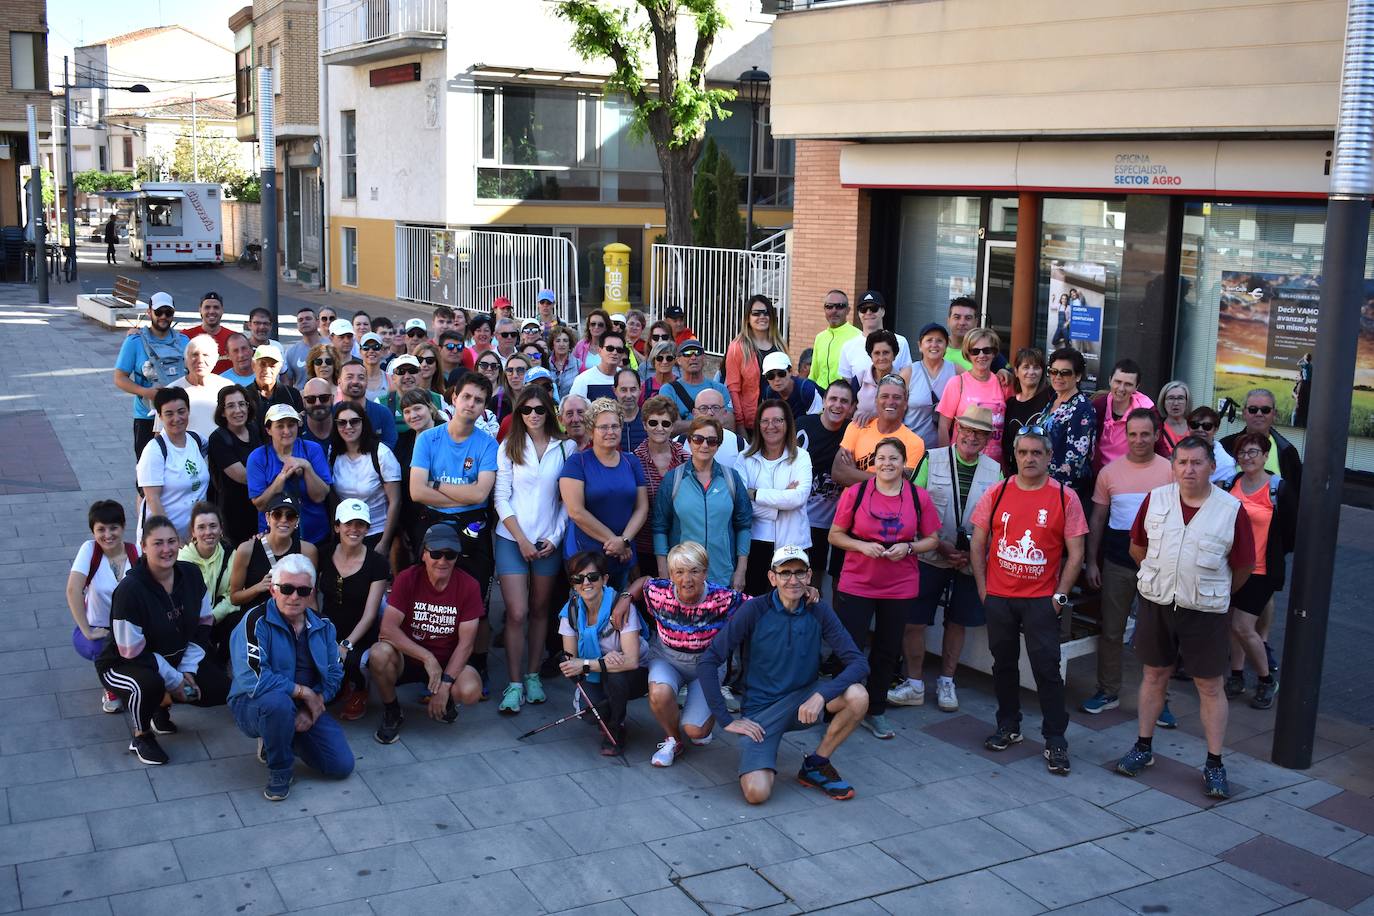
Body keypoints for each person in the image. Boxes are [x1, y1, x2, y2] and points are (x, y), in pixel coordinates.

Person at [1115, 437, 1255, 800]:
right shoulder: (1157, 499)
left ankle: (1214, 763)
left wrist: (1211, 588)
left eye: (1197, 463)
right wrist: (1162, 577)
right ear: (1173, 466)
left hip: (1204, 611)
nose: (1189, 470)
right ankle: (1143, 747)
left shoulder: (1230, 509)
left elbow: (1242, 567)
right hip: (1157, 602)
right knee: (1153, 674)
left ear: (1211, 466)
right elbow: (1137, 547)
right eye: (1182, 463)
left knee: (1209, 686)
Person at [697, 545, 870, 803]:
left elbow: (858, 662)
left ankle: (816, 764)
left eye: (800, 573)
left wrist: (822, 695)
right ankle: (765, 754)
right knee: (756, 794)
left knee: (858, 695)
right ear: (772, 577)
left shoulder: (819, 610)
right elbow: (708, 661)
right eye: (785, 572)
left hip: (805, 700)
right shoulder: (754, 610)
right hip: (761, 712)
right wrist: (725, 719)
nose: (793, 579)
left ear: (809, 576)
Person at [969, 427, 1087, 776]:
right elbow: (978, 542)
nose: (1030, 458)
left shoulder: (1066, 497)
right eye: (1024, 452)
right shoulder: (997, 492)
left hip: (1041, 600)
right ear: (1015, 456)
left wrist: (1059, 598)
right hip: (999, 597)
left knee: (1047, 670)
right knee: (1003, 664)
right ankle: (1008, 725)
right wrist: (983, 588)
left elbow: (1076, 553)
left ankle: (1055, 739)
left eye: (1037, 452)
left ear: (1050, 457)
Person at [829, 437, 941, 738]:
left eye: (893, 458)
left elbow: (933, 538)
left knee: (887, 650)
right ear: (873, 462)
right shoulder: (856, 492)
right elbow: (835, 535)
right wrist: (862, 547)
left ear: (904, 463)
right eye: (881, 458)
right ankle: (842, 706)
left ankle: (875, 710)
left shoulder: (919, 497)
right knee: (849, 648)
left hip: (899, 584)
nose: (887, 464)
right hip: (858, 581)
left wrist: (910, 547)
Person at [891, 406, 1002, 713]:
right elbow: (913, 506)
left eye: (979, 433)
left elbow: (996, 523)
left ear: (987, 439)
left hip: (969, 560)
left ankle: (946, 681)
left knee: (958, 622)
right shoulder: (932, 457)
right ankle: (913, 683)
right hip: (930, 555)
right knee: (914, 620)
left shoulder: (996, 471)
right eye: (966, 429)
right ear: (956, 430)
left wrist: (974, 552)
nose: (971, 437)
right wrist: (939, 545)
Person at [96, 515, 230, 766]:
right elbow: (133, 652)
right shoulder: (130, 590)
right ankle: (141, 735)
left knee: (218, 688)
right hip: (124, 662)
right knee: (148, 685)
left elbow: (203, 625)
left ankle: (161, 706)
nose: (166, 549)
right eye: (158, 543)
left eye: (171, 542)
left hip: (175, 657)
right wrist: (175, 679)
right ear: (143, 547)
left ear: (179, 543)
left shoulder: (190, 575)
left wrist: (187, 670)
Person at [229, 552, 354, 801]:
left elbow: (334, 673)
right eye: (286, 588)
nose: (294, 596)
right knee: (277, 705)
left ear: (312, 592)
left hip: (304, 704)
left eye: (303, 590)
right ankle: (280, 768)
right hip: (254, 702)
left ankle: (279, 735)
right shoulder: (255, 622)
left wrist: (313, 708)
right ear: (273, 590)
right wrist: (302, 692)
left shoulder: (324, 626)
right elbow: (254, 679)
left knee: (341, 765)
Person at [614, 543, 745, 765]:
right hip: (667, 658)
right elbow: (644, 580)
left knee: (696, 731)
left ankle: (707, 711)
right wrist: (625, 598)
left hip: (707, 665)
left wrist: (803, 593)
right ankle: (673, 740)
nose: (687, 579)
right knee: (659, 693)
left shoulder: (723, 597)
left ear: (705, 572)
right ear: (671, 574)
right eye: (679, 572)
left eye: (694, 571)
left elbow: (760, 606)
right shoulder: (659, 591)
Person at [1082, 408, 1173, 715]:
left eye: (1145, 434)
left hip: (1159, 566)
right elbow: (1098, 519)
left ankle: (1162, 701)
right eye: (1132, 434)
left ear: (1156, 435)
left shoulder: (1171, 471)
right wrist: (1092, 562)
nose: (1138, 440)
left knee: (1160, 634)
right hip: (1118, 563)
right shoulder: (1109, 473)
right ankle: (1108, 691)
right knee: (1111, 630)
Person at [369, 524, 486, 743]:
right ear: (424, 554)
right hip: (407, 658)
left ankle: (445, 698)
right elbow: (388, 629)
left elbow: (466, 644)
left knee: (471, 690)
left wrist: (445, 684)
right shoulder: (407, 578)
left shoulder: (469, 585)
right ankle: (392, 709)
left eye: (450, 555)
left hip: (446, 662)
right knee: (378, 654)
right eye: (435, 553)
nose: (442, 561)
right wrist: (427, 657)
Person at [494, 385, 572, 714]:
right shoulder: (508, 446)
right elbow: (500, 496)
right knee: (517, 612)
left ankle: (533, 674)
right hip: (512, 538)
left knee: (542, 610)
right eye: (527, 410)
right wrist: (522, 539)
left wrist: (554, 537)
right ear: (518, 412)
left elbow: (567, 501)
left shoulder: (566, 447)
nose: (534, 415)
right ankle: (513, 683)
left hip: (548, 541)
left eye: (540, 409)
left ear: (550, 411)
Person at [1223, 432, 1295, 709]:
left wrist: (1274, 554)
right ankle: (1237, 676)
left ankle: (1266, 680)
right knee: (1233, 625)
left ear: (1266, 456)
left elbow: (1290, 532)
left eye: (1253, 452)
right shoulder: (1232, 484)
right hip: (1232, 566)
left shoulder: (1279, 489)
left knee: (1243, 625)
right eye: (1242, 453)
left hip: (1262, 570)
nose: (1247, 457)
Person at [557, 551, 650, 755]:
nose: (586, 583)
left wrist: (587, 664)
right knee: (590, 714)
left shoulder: (620, 606)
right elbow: (571, 664)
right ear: (572, 583)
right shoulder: (570, 611)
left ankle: (616, 729)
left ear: (605, 579)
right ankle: (609, 710)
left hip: (638, 673)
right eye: (578, 579)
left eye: (592, 577)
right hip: (601, 669)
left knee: (616, 677)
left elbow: (631, 661)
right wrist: (599, 662)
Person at [654, 416, 752, 591]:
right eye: (698, 439)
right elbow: (660, 527)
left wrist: (741, 571)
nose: (704, 445)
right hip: (683, 578)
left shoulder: (731, 478)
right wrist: (663, 572)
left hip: (723, 574)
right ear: (690, 441)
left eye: (712, 441)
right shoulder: (673, 479)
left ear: (718, 444)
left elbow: (743, 525)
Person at [560, 398, 649, 589]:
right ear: (592, 431)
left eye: (615, 426)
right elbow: (576, 511)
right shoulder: (577, 463)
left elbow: (642, 507)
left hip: (624, 552)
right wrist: (615, 542)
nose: (611, 431)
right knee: (588, 612)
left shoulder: (631, 461)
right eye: (604, 427)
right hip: (586, 555)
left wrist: (624, 540)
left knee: (619, 611)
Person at [317, 500, 391, 722]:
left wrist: (346, 644)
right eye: (349, 523)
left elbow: (370, 614)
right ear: (337, 526)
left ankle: (360, 689)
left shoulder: (377, 562)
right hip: (328, 626)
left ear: (368, 528)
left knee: (353, 659)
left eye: (361, 524)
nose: (355, 529)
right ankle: (339, 684)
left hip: (361, 632)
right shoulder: (323, 554)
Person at [67, 500, 139, 715]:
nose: (108, 535)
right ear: (93, 531)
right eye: (101, 529)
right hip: (99, 629)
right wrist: (87, 630)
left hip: (130, 628)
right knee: (101, 648)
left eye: (113, 527)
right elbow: (73, 590)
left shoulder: (136, 553)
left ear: (123, 527)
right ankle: (110, 687)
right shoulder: (89, 550)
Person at [738, 400, 813, 596]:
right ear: (757, 424)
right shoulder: (744, 458)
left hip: (793, 544)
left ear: (788, 424)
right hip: (754, 542)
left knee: (791, 605)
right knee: (754, 603)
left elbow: (799, 498)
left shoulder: (801, 457)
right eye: (765, 421)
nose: (771, 426)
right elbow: (740, 504)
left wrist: (755, 494)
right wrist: (781, 504)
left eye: (778, 420)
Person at [797, 380, 857, 601]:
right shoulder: (803, 424)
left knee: (820, 581)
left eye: (844, 401)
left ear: (852, 407)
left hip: (831, 521)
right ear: (823, 401)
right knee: (800, 578)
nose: (837, 405)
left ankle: (819, 627)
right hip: (800, 516)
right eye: (833, 399)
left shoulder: (854, 431)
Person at [227, 492, 318, 637]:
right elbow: (234, 598)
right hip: (257, 625)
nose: (284, 520)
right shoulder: (246, 549)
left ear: (297, 522)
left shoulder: (308, 550)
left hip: (292, 626)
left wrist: (314, 632)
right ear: (268, 518)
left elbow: (310, 598)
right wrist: (258, 588)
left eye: (290, 516)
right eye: (277, 514)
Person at [114, 292, 189, 460]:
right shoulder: (134, 342)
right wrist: (146, 392)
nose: (163, 316)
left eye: (168, 312)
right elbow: (119, 378)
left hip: (179, 416)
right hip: (146, 416)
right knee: (147, 468)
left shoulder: (184, 341)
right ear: (149, 312)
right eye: (158, 312)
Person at [246, 404, 332, 546]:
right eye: (280, 426)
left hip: (314, 536)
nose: (287, 431)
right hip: (274, 538)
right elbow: (260, 505)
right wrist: (280, 479)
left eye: (291, 425)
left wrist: (307, 467)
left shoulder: (312, 450)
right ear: (268, 430)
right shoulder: (258, 457)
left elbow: (320, 496)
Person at [329, 402, 402, 555]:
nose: (348, 426)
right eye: (342, 422)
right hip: (346, 534)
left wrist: (385, 542)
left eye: (354, 421)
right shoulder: (333, 453)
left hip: (376, 532)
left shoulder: (381, 453)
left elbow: (395, 501)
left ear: (364, 422)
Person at [137, 387, 209, 541]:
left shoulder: (196, 440)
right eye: (169, 414)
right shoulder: (154, 451)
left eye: (181, 411)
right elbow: (152, 499)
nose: (177, 418)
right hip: (163, 541)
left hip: (196, 541)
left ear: (189, 411)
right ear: (160, 416)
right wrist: (171, 539)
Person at [833, 375, 927, 487]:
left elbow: (901, 486)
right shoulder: (857, 426)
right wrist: (887, 478)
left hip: (887, 504)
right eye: (884, 396)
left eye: (896, 397)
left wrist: (854, 473)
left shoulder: (915, 443)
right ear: (876, 401)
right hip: (852, 502)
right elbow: (837, 473)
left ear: (905, 403)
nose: (890, 401)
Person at [633, 395, 689, 574]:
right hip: (644, 546)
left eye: (665, 423)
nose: (659, 428)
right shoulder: (634, 460)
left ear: (672, 426)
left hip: (679, 545)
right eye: (653, 423)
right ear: (644, 425)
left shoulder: (685, 458)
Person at [937, 327, 1007, 464]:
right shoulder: (957, 383)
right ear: (968, 354)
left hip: (995, 464)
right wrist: (946, 461)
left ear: (994, 353)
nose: (981, 355)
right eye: (975, 351)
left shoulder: (1003, 382)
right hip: (961, 461)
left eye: (986, 350)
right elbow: (943, 426)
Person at [178, 501, 235, 664]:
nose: (208, 532)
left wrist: (213, 616)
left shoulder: (231, 554)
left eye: (213, 526)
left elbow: (233, 595)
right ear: (193, 532)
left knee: (237, 618)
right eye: (201, 527)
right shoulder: (181, 561)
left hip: (217, 618)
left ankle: (222, 661)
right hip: (190, 624)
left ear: (221, 529)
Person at [725, 294, 788, 436]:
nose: (762, 316)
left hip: (778, 419)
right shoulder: (737, 347)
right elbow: (733, 389)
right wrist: (740, 425)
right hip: (751, 423)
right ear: (748, 318)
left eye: (766, 312)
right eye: (756, 313)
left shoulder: (780, 345)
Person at [207, 385, 262, 545]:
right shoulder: (218, 439)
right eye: (231, 406)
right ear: (222, 412)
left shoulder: (254, 429)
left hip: (259, 510)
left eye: (242, 404)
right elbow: (244, 477)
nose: (238, 410)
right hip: (235, 515)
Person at [1041, 347, 1098, 499]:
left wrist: (1052, 489)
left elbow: (1075, 459)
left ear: (1078, 376)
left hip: (1063, 491)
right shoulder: (1054, 400)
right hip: (1042, 483)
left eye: (1065, 373)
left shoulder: (1082, 408)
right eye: (1053, 371)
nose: (1058, 376)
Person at [1221, 388, 1303, 491]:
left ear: (1274, 414)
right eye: (1253, 409)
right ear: (1244, 413)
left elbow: (1295, 495)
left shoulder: (1287, 452)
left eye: (1265, 410)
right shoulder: (1225, 447)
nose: (1259, 414)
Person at [1092, 359, 1155, 473]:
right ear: (1110, 380)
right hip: (1100, 474)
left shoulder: (1147, 410)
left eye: (1128, 384)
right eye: (1118, 382)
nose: (1121, 388)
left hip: (1133, 474)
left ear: (1136, 387)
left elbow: (1158, 445)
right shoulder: (1098, 406)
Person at [836, 290, 913, 384]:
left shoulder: (900, 342)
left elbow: (906, 378)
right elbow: (848, 385)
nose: (868, 312)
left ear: (883, 312)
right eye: (863, 309)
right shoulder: (848, 347)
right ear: (859, 314)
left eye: (874, 308)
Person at [662, 339, 735, 432]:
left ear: (704, 357)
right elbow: (672, 426)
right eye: (687, 353)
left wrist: (686, 423)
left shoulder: (720, 388)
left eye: (697, 352)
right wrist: (713, 421)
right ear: (678, 360)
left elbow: (729, 424)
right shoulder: (668, 390)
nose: (693, 357)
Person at [169, 334, 232, 440]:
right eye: (194, 354)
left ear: (216, 358)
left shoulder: (228, 388)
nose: (200, 360)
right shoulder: (170, 392)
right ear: (185, 359)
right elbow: (160, 435)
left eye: (206, 355)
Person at [1002, 347, 1053, 475]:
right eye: (1026, 367)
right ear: (1016, 371)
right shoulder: (1010, 404)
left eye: (1036, 367)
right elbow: (1006, 442)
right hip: (1015, 472)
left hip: (1043, 473)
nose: (1031, 372)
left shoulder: (1051, 398)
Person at [907, 322, 959, 445]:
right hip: (911, 448)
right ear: (920, 345)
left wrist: (1002, 372)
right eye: (929, 340)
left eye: (939, 341)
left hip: (943, 448)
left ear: (946, 346)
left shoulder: (956, 371)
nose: (934, 345)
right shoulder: (909, 372)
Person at [337, 361, 398, 449]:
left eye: (361, 377)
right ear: (339, 382)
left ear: (367, 382)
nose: (355, 381)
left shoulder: (383, 413)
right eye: (349, 377)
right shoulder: (333, 413)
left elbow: (389, 446)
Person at [382, 354, 445, 438]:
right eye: (401, 371)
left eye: (412, 370)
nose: (407, 376)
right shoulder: (381, 403)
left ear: (421, 373)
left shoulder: (439, 399)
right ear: (393, 377)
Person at [809, 289, 861, 388]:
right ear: (824, 309)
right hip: (820, 398)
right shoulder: (820, 337)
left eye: (839, 306)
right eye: (829, 306)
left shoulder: (858, 337)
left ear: (848, 310)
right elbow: (813, 375)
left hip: (843, 398)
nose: (834, 310)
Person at [850, 330, 904, 425]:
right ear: (871, 356)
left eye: (886, 352)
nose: (881, 357)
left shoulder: (902, 381)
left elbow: (905, 413)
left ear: (894, 355)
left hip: (892, 437)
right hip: (862, 433)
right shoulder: (860, 378)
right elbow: (849, 410)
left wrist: (876, 416)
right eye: (877, 353)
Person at [246, 344, 305, 421]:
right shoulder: (244, 396)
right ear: (253, 365)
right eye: (262, 364)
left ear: (280, 367)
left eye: (272, 366)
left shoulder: (293, 395)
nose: (267, 370)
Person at [181, 291, 233, 374]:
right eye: (207, 307)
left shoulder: (233, 338)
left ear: (222, 310)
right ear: (200, 310)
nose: (211, 311)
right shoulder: (186, 337)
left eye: (216, 307)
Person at [689, 388, 742, 469]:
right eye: (703, 408)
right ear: (694, 413)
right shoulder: (680, 442)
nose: (710, 413)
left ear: (724, 413)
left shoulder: (739, 443)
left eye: (715, 408)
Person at [569, 330, 627, 402]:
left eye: (619, 350)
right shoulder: (583, 380)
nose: (614, 353)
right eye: (610, 348)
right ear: (599, 351)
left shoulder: (627, 378)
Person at [1186, 405, 1237, 483]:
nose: (1200, 429)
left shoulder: (1226, 463)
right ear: (1188, 427)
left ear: (1215, 430)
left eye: (1207, 426)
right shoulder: (1179, 451)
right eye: (1194, 425)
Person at [283, 306, 323, 387]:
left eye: (308, 319)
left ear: (317, 322)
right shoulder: (291, 352)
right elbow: (288, 381)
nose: (304, 322)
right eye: (300, 320)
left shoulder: (330, 346)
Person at [299, 378, 336, 451]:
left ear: (332, 399)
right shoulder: (296, 429)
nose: (318, 403)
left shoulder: (344, 422)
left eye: (324, 398)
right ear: (304, 402)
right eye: (310, 399)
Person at [1156, 380, 1191, 456]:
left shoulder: (1195, 427)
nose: (1175, 403)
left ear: (1187, 402)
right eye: (1170, 398)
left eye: (1180, 398)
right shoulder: (1157, 428)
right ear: (1163, 402)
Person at [548, 326, 579, 398]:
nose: (561, 344)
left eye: (565, 340)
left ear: (569, 344)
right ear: (553, 344)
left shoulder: (579, 365)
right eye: (558, 341)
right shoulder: (546, 364)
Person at [359, 332, 389, 401]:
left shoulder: (390, 380)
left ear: (381, 350)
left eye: (376, 347)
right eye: (366, 348)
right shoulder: (353, 379)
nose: (371, 351)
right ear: (360, 351)